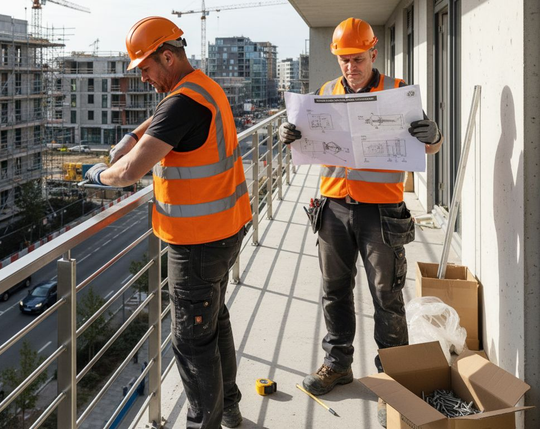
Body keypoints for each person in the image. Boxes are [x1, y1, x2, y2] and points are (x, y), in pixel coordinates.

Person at [84, 16, 252, 429]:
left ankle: (205, 422)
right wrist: (130, 137)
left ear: (167, 55)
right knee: (214, 323)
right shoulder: (202, 87)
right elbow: (162, 121)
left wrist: (96, 175)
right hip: (225, 230)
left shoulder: (181, 102)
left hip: (197, 242)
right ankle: (229, 409)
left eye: (144, 68)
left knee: (191, 341)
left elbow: (127, 174)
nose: (143, 77)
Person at [279, 17, 443, 427]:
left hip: (380, 210)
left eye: (356, 58)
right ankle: (337, 363)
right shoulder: (325, 94)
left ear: (373, 53)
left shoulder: (397, 93)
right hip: (333, 205)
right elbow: (306, 139)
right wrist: (289, 135)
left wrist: (434, 135)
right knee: (334, 290)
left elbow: (430, 146)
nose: (349, 67)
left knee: (386, 293)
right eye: (343, 60)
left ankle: (393, 374)